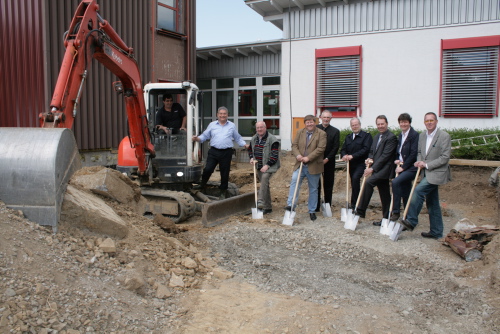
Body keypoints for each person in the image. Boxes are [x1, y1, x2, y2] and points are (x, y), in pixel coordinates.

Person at [399, 112, 451, 239]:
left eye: (431, 120)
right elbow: (420, 152)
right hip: (425, 173)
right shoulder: (422, 136)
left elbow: (445, 157)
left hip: (437, 173)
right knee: (432, 203)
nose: (429, 123)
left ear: (436, 121)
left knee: (418, 191)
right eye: (427, 121)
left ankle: (411, 221)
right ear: (424, 122)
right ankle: (436, 231)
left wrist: (426, 164)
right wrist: (419, 161)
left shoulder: (444, 136)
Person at [192, 106, 248, 199]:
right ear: (217, 115)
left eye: (224, 114)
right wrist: (197, 139)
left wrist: (244, 144)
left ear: (227, 115)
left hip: (226, 152)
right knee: (208, 169)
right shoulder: (212, 125)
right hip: (214, 151)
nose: (222, 115)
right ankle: (202, 185)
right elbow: (205, 136)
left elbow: (237, 138)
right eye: (221, 114)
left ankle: (223, 191)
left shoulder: (231, 125)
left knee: (224, 172)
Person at [354, 115, 397, 225]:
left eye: (382, 124)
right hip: (378, 168)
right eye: (378, 124)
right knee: (385, 194)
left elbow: (385, 156)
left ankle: (360, 211)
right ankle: (386, 219)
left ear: (386, 124)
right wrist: (370, 158)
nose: (380, 126)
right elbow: (372, 151)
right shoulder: (377, 136)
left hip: (385, 169)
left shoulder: (391, 137)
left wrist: (372, 169)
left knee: (368, 182)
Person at [285, 115, 326, 221]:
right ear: (305, 123)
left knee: (313, 189)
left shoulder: (321, 134)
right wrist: (298, 155)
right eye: (307, 122)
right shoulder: (300, 132)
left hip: (314, 165)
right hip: (300, 164)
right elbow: (294, 146)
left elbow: (321, 148)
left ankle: (312, 211)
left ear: (315, 122)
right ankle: (291, 205)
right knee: (294, 183)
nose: (310, 124)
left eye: (311, 122)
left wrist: (308, 157)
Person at [390, 113, 419, 221]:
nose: (403, 124)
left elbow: (413, 153)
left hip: (411, 167)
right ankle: (408, 217)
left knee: (395, 182)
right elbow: (400, 151)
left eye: (405, 122)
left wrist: (403, 167)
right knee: (406, 191)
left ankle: (396, 211)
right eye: (401, 122)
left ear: (409, 122)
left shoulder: (414, 135)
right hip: (401, 165)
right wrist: (398, 158)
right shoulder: (401, 135)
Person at [248, 122, 280, 214]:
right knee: (264, 184)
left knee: (265, 179)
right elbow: (250, 149)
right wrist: (251, 158)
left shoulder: (272, 139)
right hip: (259, 165)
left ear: (265, 127)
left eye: (261, 127)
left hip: (270, 165)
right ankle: (268, 207)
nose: (259, 129)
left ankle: (260, 202)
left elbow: (274, 155)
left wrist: (267, 165)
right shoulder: (254, 138)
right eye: (258, 128)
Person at [340, 118, 373, 209]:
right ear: (351, 126)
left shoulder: (366, 136)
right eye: (353, 125)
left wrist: (353, 156)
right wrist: (344, 155)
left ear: (360, 125)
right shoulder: (348, 137)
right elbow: (343, 149)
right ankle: (355, 202)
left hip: (362, 163)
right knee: (353, 182)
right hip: (351, 164)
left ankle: (355, 203)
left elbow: (365, 149)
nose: (355, 127)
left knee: (355, 178)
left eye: (356, 124)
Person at [315, 111, 340, 212]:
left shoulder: (335, 131)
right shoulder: (315, 129)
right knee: (316, 184)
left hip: (329, 162)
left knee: (328, 184)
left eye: (328, 117)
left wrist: (327, 159)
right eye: (324, 117)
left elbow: (335, 147)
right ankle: (315, 206)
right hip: (316, 161)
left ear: (331, 118)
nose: (326, 119)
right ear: (320, 117)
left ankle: (327, 205)